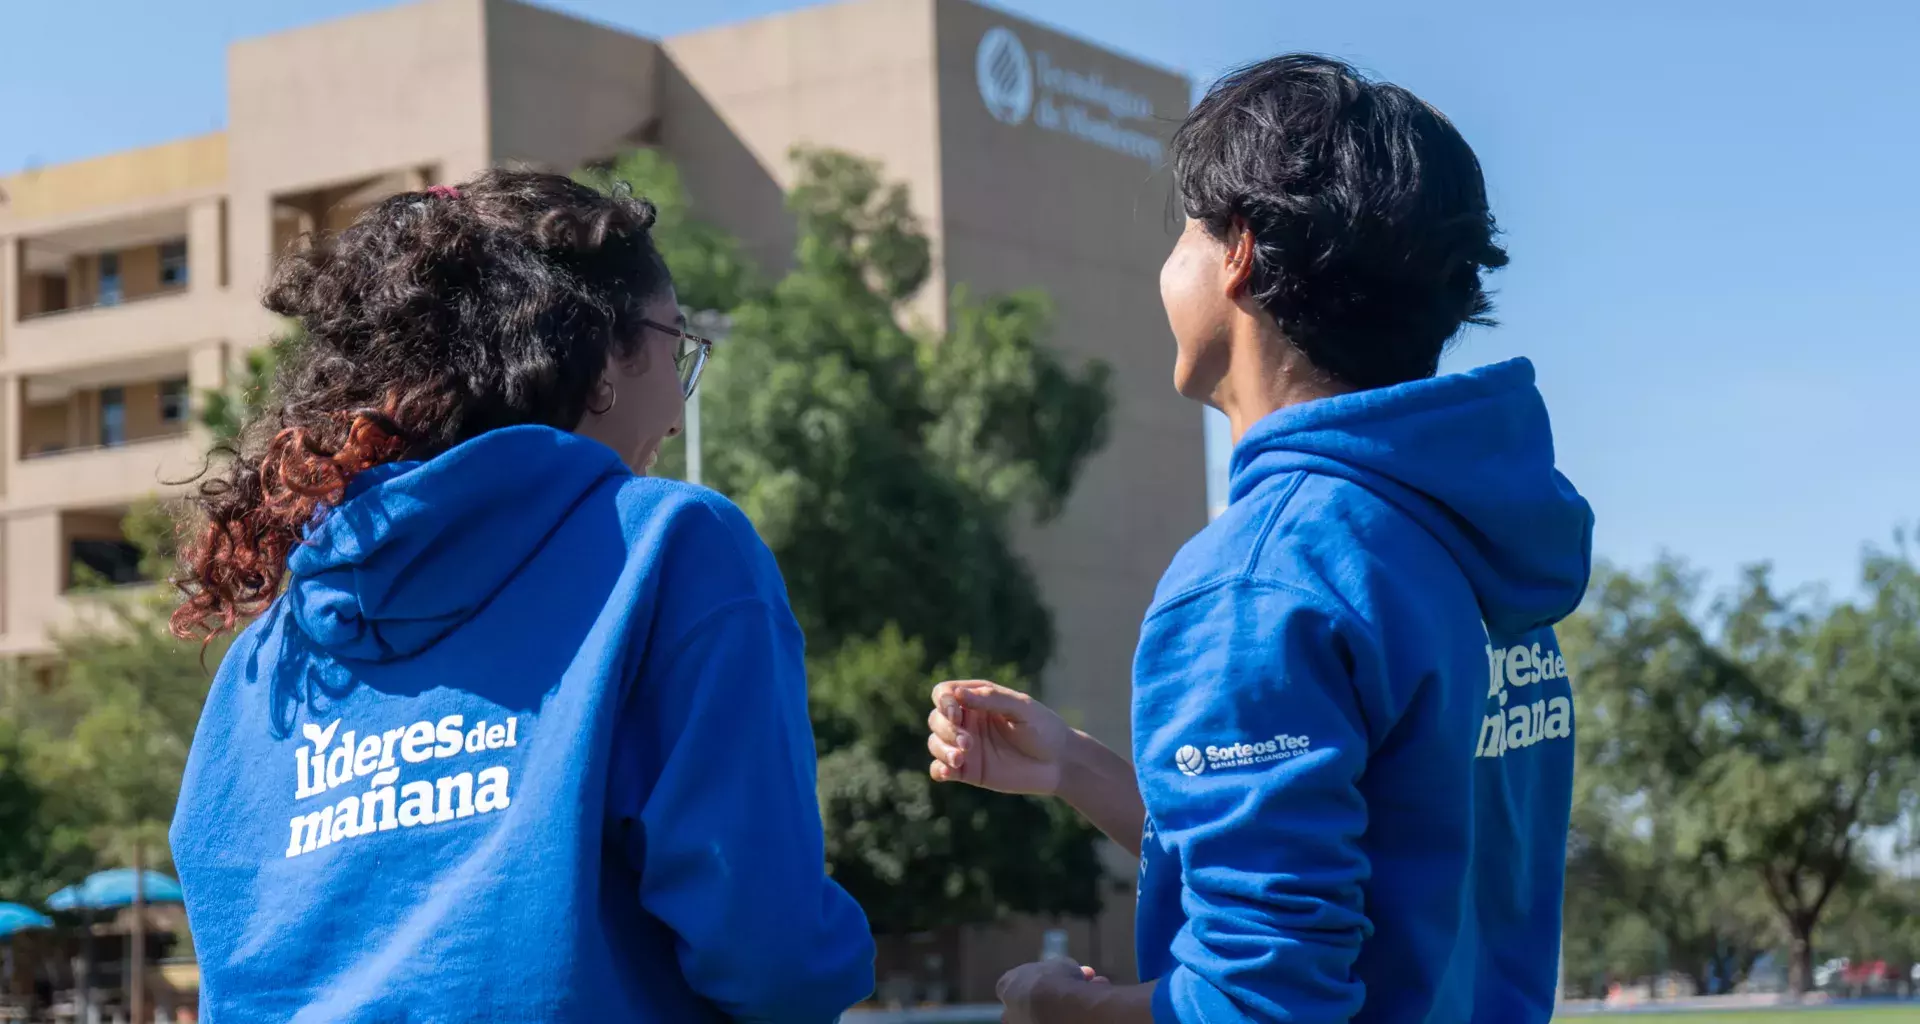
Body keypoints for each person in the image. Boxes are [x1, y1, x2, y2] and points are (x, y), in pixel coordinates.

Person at [927, 55, 1593, 1023]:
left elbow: (1262, 1000)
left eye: (1185, 231)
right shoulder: (1461, 545)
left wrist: (1060, 1006)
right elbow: (1372, 864)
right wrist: (1076, 766)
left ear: (1238, 250)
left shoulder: (1258, 580)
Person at [168, 171, 874, 1022]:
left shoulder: (263, 663)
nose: (681, 416)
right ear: (604, 352)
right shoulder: (668, 551)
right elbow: (770, 954)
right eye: (677, 345)